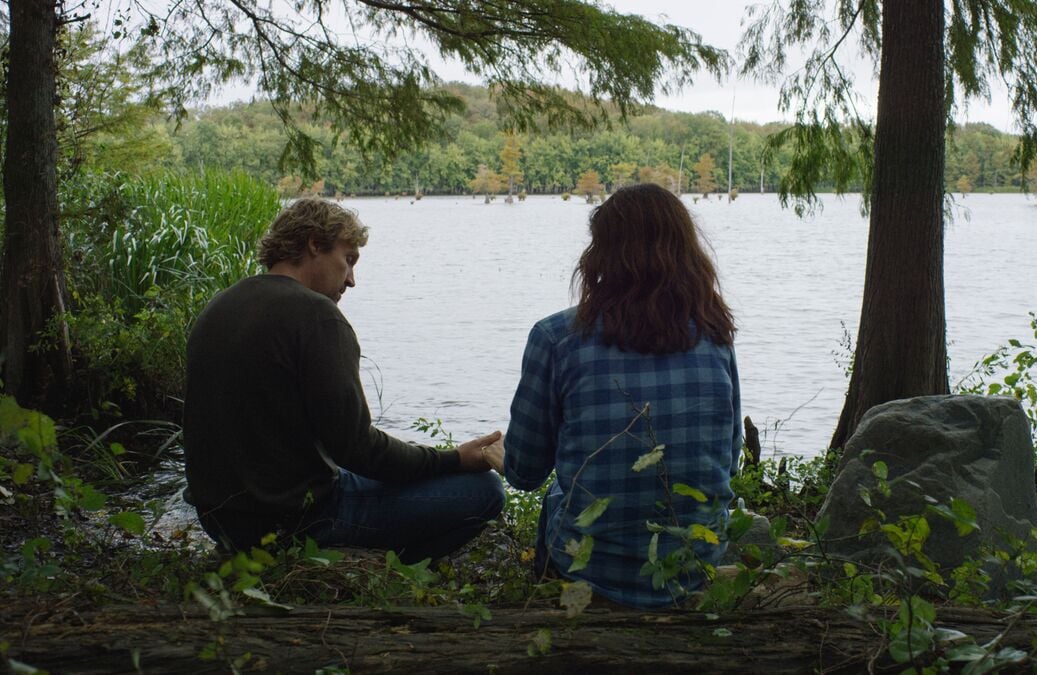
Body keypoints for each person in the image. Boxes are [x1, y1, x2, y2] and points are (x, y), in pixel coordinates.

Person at [183, 197, 505, 563]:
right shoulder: (318, 316)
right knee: (484, 492)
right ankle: (390, 571)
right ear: (314, 245)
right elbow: (359, 449)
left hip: (221, 519)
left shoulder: (221, 304)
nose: (351, 280)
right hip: (296, 519)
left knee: (366, 474)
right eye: (348, 259)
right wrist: (453, 460)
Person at [501, 183, 742, 608]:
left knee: (558, 496)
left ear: (599, 257)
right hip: (692, 567)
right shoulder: (716, 337)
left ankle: (555, 609)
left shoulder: (556, 338)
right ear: (688, 256)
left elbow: (524, 473)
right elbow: (730, 460)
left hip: (591, 572)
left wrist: (494, 456)